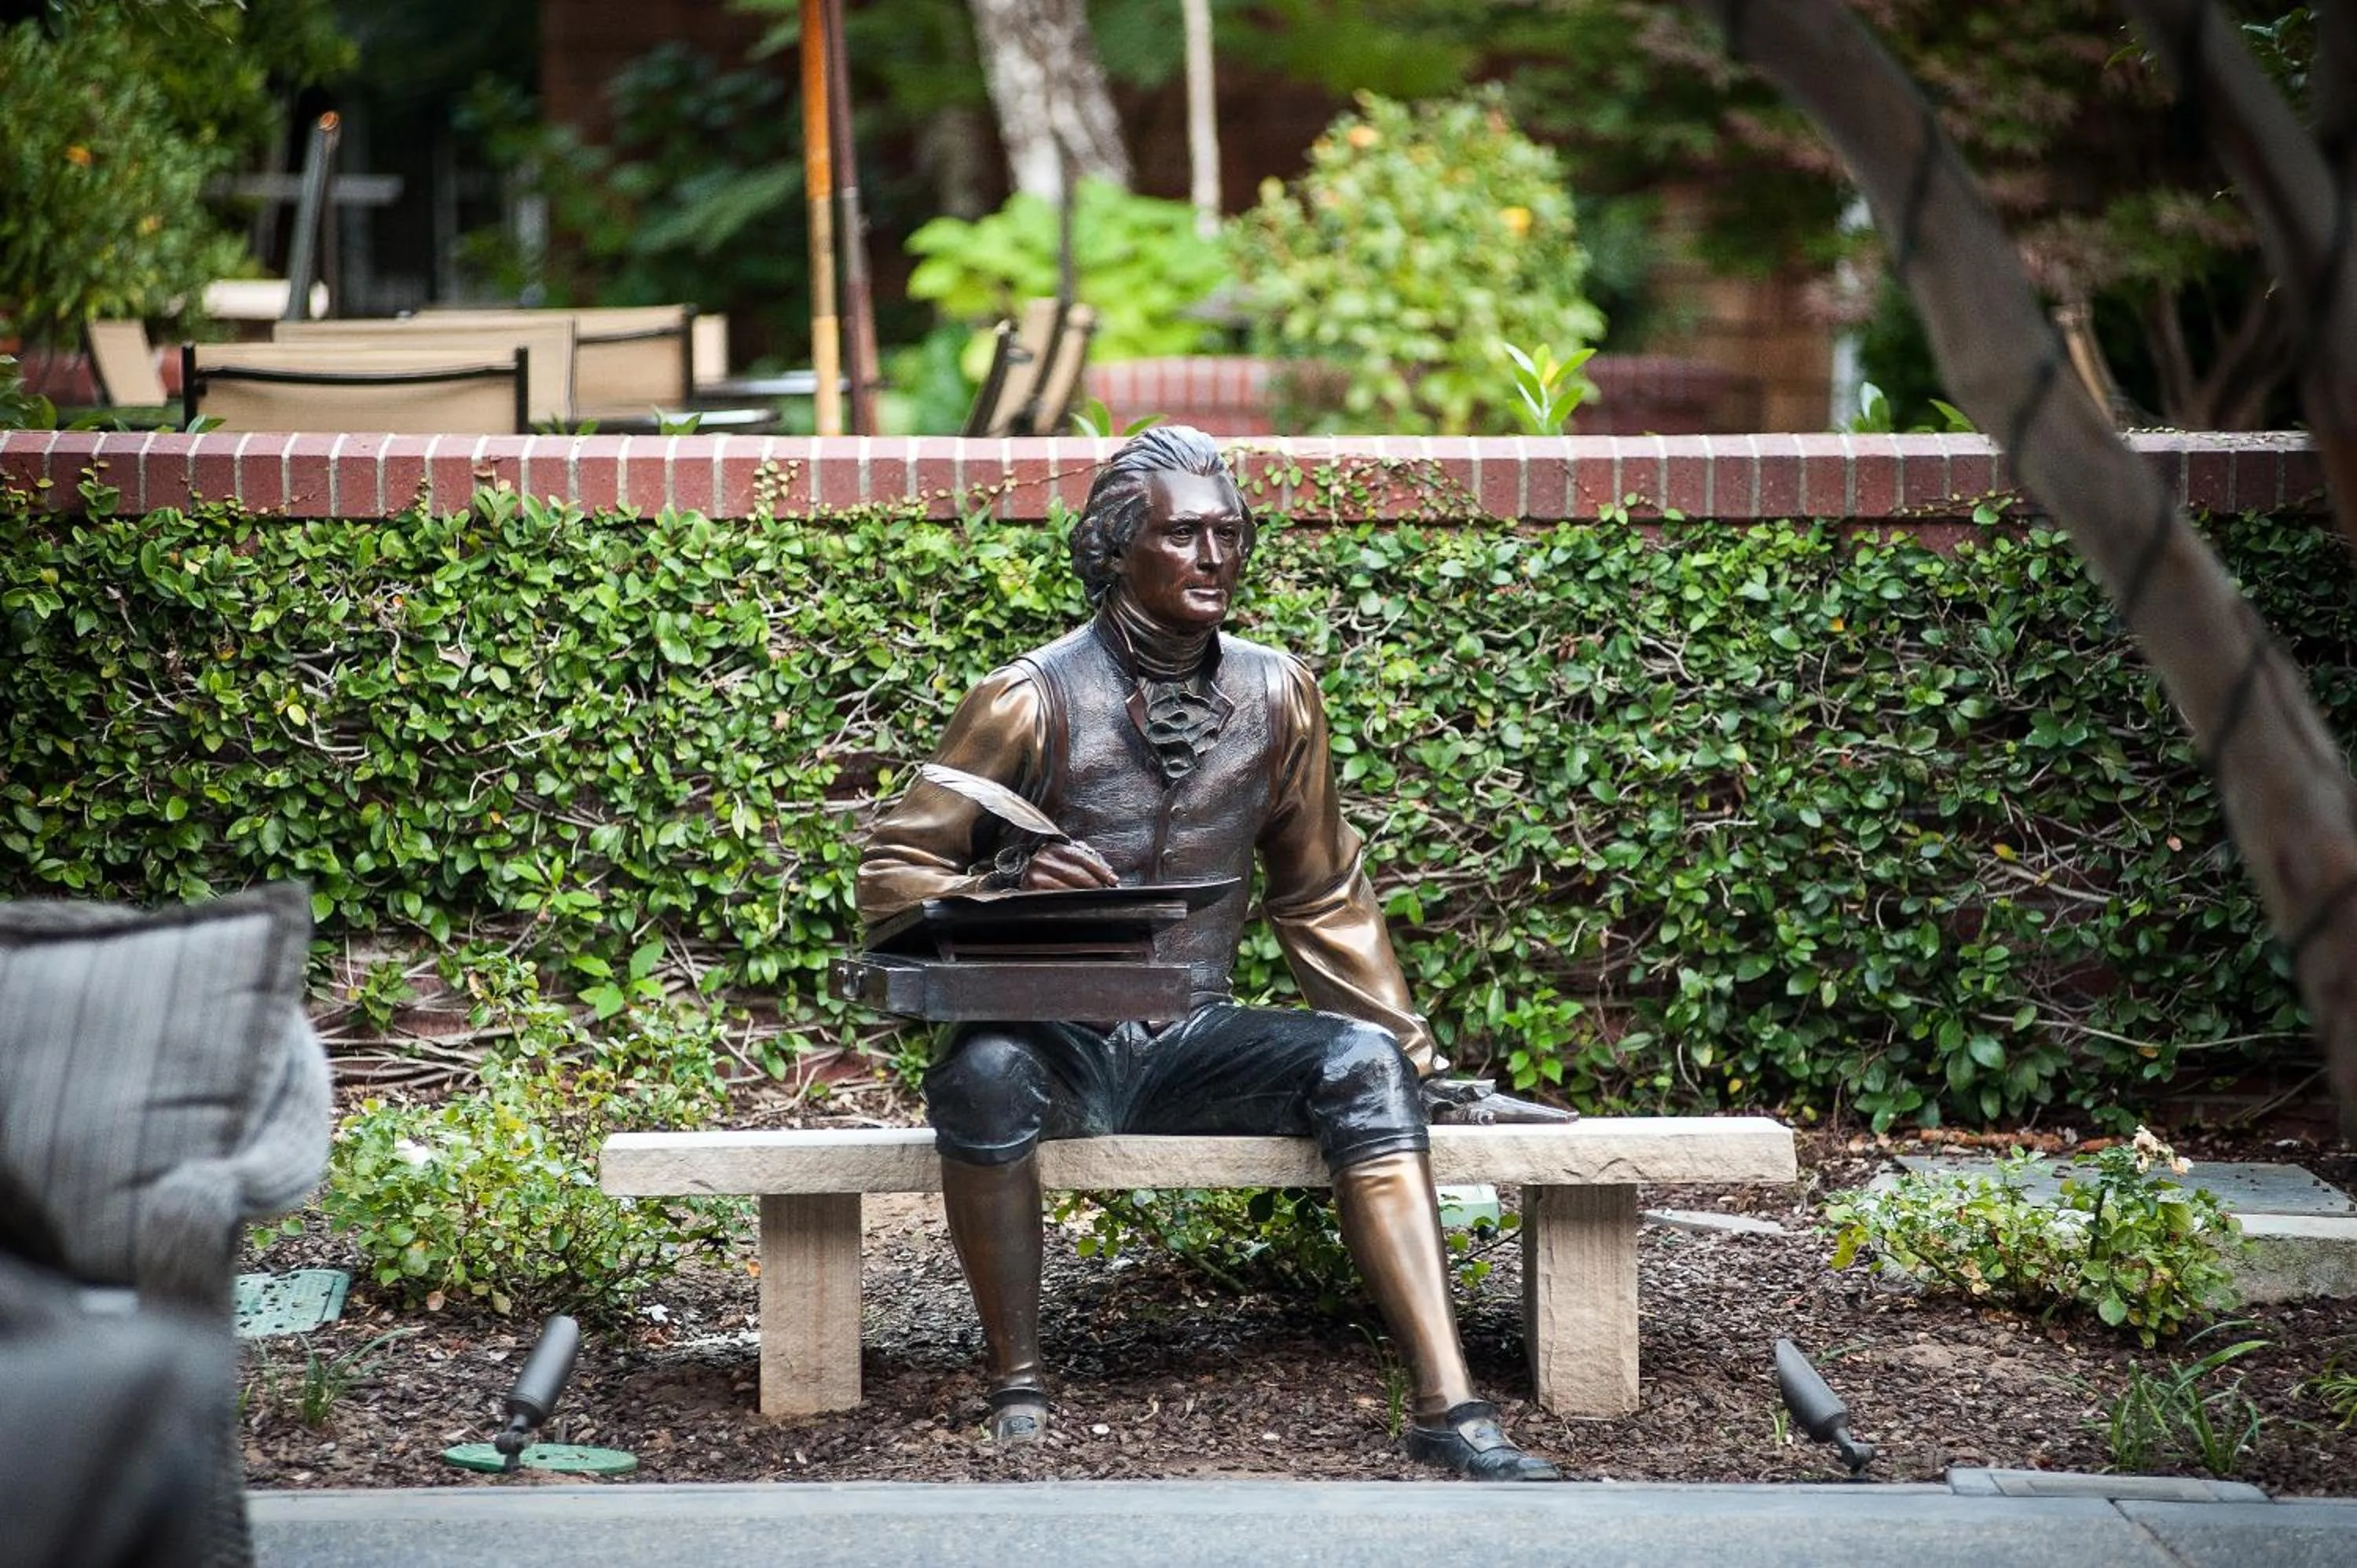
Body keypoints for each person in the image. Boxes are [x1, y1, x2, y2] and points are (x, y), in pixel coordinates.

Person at [856, 425, 1557, 1481]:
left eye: (1230, 534)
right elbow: (891, 874)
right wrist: (1000, 883)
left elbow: (1321, 893)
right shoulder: (1026, 698)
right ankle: (1019, 1383)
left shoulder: (1281, 697)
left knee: (1361, 1068)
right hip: (1057, 1037)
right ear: (1114, 550)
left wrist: (1413, 1056)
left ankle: (1447, 1401)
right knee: (982, 1071)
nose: (1214, 557)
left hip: (1192, 1033)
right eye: (1184, 536)